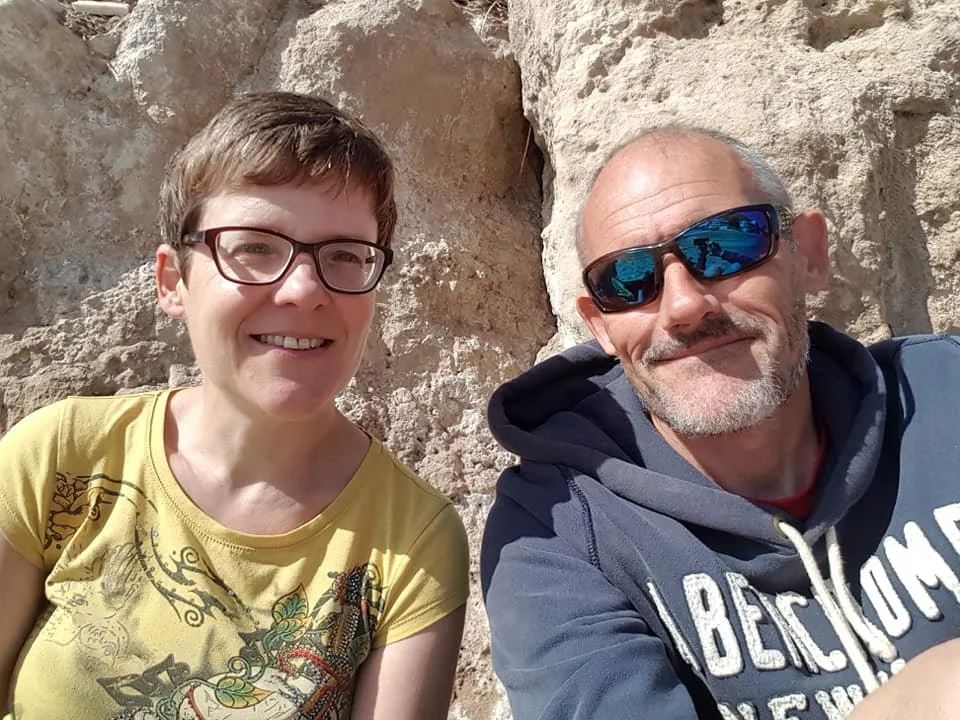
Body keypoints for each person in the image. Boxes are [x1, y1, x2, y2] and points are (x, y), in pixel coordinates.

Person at [0, 91, 469, 719]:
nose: (303, 289)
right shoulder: (62, 457)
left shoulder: (411, 542)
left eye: (343, 255)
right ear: (173, 281)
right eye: (254, 247)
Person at [480, 126, 960, 719]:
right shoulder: (557, 531)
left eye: (727, 244)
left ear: (808, 255)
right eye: (628, 279)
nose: (684, 307)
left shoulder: (943, 393)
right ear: (600, 325)